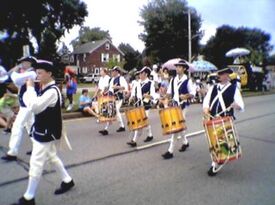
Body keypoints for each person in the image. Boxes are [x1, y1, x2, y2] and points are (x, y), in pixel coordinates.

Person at [12, 60, 74, 205]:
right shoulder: (45, 87)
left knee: (36, 162)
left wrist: (29, 88)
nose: (36, 76)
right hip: (43, 131)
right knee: (52, 157)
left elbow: (34, 106)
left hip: (46, 133)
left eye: (40, 73)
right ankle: (67, 180)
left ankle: (29, 197)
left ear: (50, 73)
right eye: (36, 72)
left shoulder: (52, 91)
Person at [203, 67, 244, 176]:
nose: (219, 76)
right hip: (213, 119)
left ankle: (221, 158)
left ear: (227, 75)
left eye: (221, 74)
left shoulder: (233, 89)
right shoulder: (213, 88)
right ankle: (214, 163)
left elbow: (241, 106)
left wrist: (237, 106)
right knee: (214, 142)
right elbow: (206, 101)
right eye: (219, 74)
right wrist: (206, 109)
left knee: (224, 142)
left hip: (225, 120)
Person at [1, 56, 38, 161]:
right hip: (25, 105)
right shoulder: (25, 74)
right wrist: (15, 70)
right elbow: (16, 82)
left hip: (27, 106)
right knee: (31, 127)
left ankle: (12, 153)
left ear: (29, 63)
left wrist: (15, 69)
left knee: (17, 126)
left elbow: (15, 78)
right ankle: (37, 148)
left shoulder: (32, 73)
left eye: (23, 62)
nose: (22, 64)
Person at [162, 60, 196, 159]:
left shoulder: (188, 80)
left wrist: (186, 96)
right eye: (177, 67)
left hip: (183, 106)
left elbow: (193, 93)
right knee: (179, 126)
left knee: (176, 127)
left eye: (179, 67)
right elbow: (169, 93)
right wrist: (163, 98)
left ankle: (170, 151)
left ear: (184, 69)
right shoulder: (173, 80)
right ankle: (185, 142)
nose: (177, 68)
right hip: (174, 106)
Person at [127, 66, 158, 147]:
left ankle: (134, 140)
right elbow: (133, 93)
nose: (139, 75)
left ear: (146, 74)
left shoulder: (150, 83)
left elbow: (153, 95)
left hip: (146, 105)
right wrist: (131, 98)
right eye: (139, 73)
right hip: (138, 105)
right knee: (145, 121)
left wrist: (147, 96)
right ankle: (150, 135)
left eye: (141, 73)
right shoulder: (137, 83)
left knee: (140, 122)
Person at [98, 66, 128, 135]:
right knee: (111, 112)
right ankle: (106, 129)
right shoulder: (112, 79)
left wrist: (116, 87)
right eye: (112, 71)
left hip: (119, 98)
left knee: (115, 110)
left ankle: (121, 126)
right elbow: (110, 88)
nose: (112, 72)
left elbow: (124, 87)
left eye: (113, 71)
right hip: (112, 97)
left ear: (117, 72)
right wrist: (105, 92)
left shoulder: (121, 78)